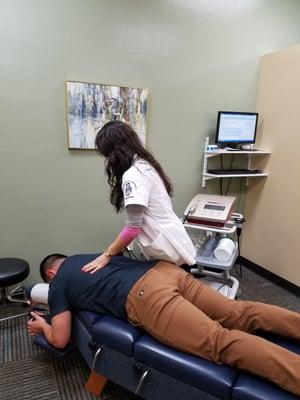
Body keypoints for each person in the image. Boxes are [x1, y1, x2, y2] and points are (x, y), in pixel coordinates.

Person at [28, 253, 300, 396]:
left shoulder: (59, 281)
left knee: (221, 342)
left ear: (51, 273)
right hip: (165, 271)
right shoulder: (89, 256)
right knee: (240, 312)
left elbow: (60, 339)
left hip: (147, 296)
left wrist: (42, 325)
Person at [81, 120, 196, 274]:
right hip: (171, 241)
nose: (107, 161)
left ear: (115, 151)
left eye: (107, 155)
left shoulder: (134, 174)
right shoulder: (145, 165)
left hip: (168, 248)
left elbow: (132, 228)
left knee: (178, 289)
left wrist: (107, 255)